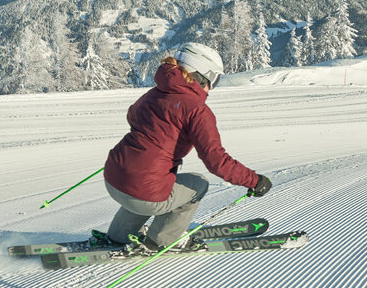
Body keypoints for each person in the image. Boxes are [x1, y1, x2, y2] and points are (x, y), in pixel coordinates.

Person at [101, 42, 272, 252]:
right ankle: (162, 240)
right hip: (144, 193)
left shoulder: (155, 92)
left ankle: (119, 235)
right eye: (214, 80)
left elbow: (132, 115)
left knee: (147, 182)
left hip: (113, 178)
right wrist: (254, 181)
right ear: (202, 75)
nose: (212, 87)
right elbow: (216, 161)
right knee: (197, 184)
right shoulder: (197, 110)